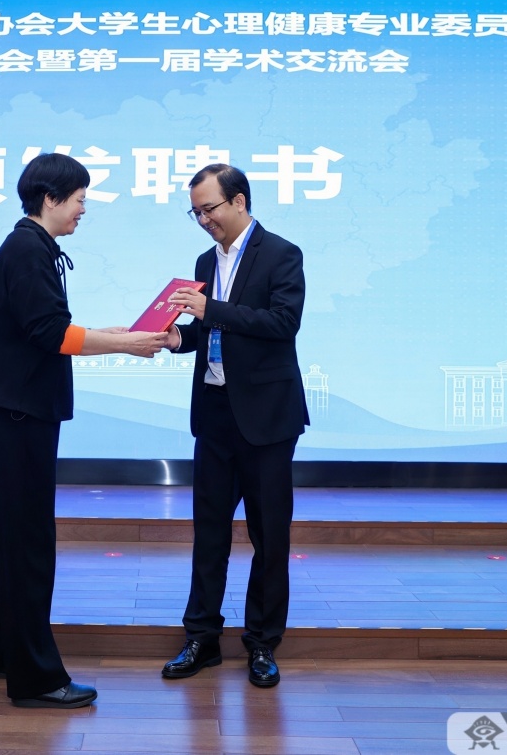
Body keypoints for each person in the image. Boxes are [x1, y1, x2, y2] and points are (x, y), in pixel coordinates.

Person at [0, 152, 167, 708]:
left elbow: (46, 327)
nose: (83, 209)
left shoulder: (31, 246)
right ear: (50, 199)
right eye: (79, 199)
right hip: (19, 415)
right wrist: (124, 344)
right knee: (27, 540)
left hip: (12, 411)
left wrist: (111, 335)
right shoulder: (28, 250)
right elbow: (51, 333)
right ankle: (35, 678)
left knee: (8, 534)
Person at [160, 163, 308, 689]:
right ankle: (201, 637)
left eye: (209, 209)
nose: (203, 221)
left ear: (239, 201)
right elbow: (209, 330)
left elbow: (282, 323)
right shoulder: (206, 261)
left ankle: (262, 642)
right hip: (215, 413)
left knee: (269, 536)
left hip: (267, 419)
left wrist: (212, 310)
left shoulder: (282, 254)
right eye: (195, 213)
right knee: (209, 533)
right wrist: (180, 338)